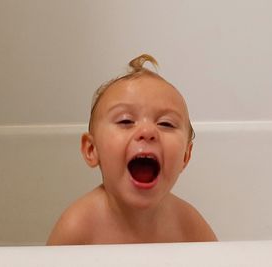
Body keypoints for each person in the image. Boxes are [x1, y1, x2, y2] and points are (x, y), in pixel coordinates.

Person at [47, 54, 217, 245]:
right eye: (126, 121)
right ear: (92, 149)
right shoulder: (79, 225)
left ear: (185, 156)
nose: (147, 131)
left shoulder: (187, 224)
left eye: (166, 124)